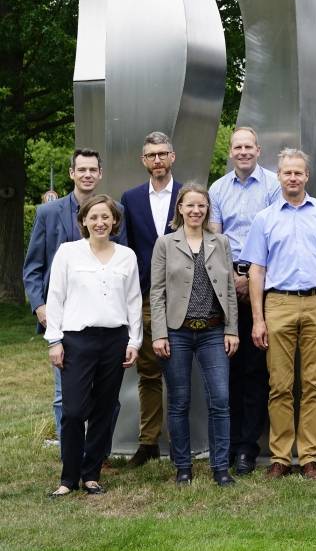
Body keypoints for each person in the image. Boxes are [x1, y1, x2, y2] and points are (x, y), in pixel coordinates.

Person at [242, 148, 316, 480]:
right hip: (278, 304)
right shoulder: (265, 218)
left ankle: (308, 456)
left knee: (314, 383)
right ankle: (280, 456)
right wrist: (259, 318)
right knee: (279, 384)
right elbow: (256, 271)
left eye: (298, 172)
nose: (293, 177)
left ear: (307, 176)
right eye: (287, 172)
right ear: (279, 177)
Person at [45, 195, 141, 497]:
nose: (100, 222)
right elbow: (55, 297)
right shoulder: (68, 253)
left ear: (114, 222)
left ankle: (91, 475)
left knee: (104, 408)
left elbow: (133, 301)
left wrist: (134, 341)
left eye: (106, 217)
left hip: (114, 341)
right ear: (83, 221)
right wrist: (55, 340)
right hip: (77, 340)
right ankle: (67, 478)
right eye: (94, 217)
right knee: (73, 411)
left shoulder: (127, 256)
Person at [24, 148, 122, 439]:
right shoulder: (47, 213)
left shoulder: (115, 212)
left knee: (106, 395)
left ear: (100, 174)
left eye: (93, 170)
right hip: (61, 315)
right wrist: (39, 306)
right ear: (72, 173)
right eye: (82, 170)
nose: (87, 175)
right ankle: (70, 454)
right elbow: (33, 267)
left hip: (104, 318)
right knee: (63, 392)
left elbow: (124, 263)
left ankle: (98, 453)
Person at [149, 183, 238, 486]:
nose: (196, 211)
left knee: (221, 399)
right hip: (177, 333)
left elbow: (228, 290)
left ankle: (221, 467)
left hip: (213, 330)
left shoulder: (220, 242)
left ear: (207, 209)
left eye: (201, 205)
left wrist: (231, 329)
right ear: (180, 209)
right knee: (180, 401)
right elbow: (157, 292)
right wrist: (159, 334)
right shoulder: (165, 243)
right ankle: (183, 466)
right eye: (190, 205)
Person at [207, 125, 281, 475]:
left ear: (258, 149)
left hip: (262, 284)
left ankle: (248, 447)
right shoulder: (217, 189)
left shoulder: (273, 186)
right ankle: (228, 442)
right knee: (228, 369)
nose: (243, 152)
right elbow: (214, 240)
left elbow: (275, 234)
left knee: (253, 369)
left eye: (249, 147)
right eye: (237, 147)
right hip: (225, 286)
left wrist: (250, 277)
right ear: (231, 151)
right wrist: (231, 278)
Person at [120, 131, 181, 468]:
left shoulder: (188, 194)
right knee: (148, 372)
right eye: (151, 155)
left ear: (172, 157)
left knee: (181, 371)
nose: (157, 160)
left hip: (183, 296)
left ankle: (181, 442)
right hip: (144, 295)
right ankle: (148, 442)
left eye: (163, 154)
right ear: (144, 161)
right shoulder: (130, 199)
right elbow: (126, 248)